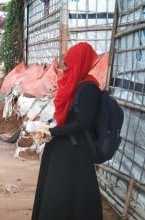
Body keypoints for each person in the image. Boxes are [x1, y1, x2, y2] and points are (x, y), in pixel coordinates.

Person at [31, 42, 103, 220]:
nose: (66, 68)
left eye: (69, 64)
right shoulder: (73, 84)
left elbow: (83, 123)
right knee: (56, 191)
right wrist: (49, 125)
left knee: (69, 195)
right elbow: (66, 115)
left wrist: (55, 132)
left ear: (80, 63)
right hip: (63, 146)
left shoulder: (88, 89)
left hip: (75, 151)